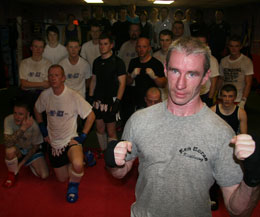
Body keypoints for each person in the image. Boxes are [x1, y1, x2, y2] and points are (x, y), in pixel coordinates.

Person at [104, 37, 260, 217]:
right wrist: (113, 162)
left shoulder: (222, 133)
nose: (180, 84)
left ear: (205, 77)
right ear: (165, 70)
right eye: (175, 71)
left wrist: (252, 178)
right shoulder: (140, 120)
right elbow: (120, 172)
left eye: (192, 74)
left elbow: (238, 210)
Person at [34, 64, 95, 203]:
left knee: (77, 165)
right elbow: (37, 109)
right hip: (54, 144)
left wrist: (83, 136)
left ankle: (73, 186)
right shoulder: (45, 95)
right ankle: (85, 157)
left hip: (70, 140)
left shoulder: (73, 95)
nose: (53, 78)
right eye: (51, 75)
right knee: (62, 179)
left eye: (56, 75)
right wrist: (43, 129)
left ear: (63, 78)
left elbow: (91, 116)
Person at [89, 33, 126, 153]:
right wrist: (90, 97)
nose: (102, 47)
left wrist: (118, 101)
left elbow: (122, 83)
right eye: (100, 44)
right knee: (99, 128)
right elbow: (94, 80)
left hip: (111, 100)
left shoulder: (118, 62)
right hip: (98, 100)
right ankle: (103, 152)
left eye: (105, 44)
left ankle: (112, 156)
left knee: (111, 131)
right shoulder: (96, 62)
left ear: (111, 45)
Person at [3, 99, 49, 188]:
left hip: (31, 151)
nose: (16, 117)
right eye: (15, 113)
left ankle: (26, 163)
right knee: (9, 150)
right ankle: (12, 174)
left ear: (27, 114)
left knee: (44, 175)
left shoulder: (35, 126)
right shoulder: (8, 119)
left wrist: (20, 165)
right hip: (18, 149)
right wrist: (23, 128)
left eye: (20, 114)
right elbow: (7, 143)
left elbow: (35, 148)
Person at [127, 37, 166, 109]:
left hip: (152, 103)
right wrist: (132, 76)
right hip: (137, 102)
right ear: (136, 48)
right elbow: (127, 82)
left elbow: (163, 84)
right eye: (139, 46)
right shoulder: (133, 62)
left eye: (144, 47)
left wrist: (154, 77)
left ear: (149, 48)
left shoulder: (156, 63)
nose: (141, 49)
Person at [219, 35, 254, 109]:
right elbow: (221, 79)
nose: (234, 49)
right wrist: (217, 94)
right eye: (231, 46)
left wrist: (243, 101)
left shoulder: (246, 61)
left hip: (238, 98)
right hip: (224, 97)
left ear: (240, 47)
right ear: (228, 46)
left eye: (236, 46)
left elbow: (248, 83)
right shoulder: (223, 61)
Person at [19, 37, 51, 111]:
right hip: (27, 95)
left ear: (43, 49)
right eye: (35, 46)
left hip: (42, 95)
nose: (38, 49)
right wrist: (41, 84)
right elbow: (24, 84)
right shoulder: (24, 63)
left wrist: (29, 83)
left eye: (41, 47)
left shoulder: (48, 63)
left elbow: (47, 85)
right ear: (31, 48)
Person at [196, 34, 219, 107]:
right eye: (199, 43)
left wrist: (210, 99)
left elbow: (214, 83)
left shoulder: (212, 60)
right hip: (193, 95)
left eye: (203, 43)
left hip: (206, 95)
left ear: (206, 45)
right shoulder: (192, 58)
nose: (201, 46)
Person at [153, 29, 173, 100]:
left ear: (171, 41)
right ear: (159, 41)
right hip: (158, 92)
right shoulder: (154, 56)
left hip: (173, 91)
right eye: (162, 40)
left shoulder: (177, 56)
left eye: (167, 40)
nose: (164, 43)